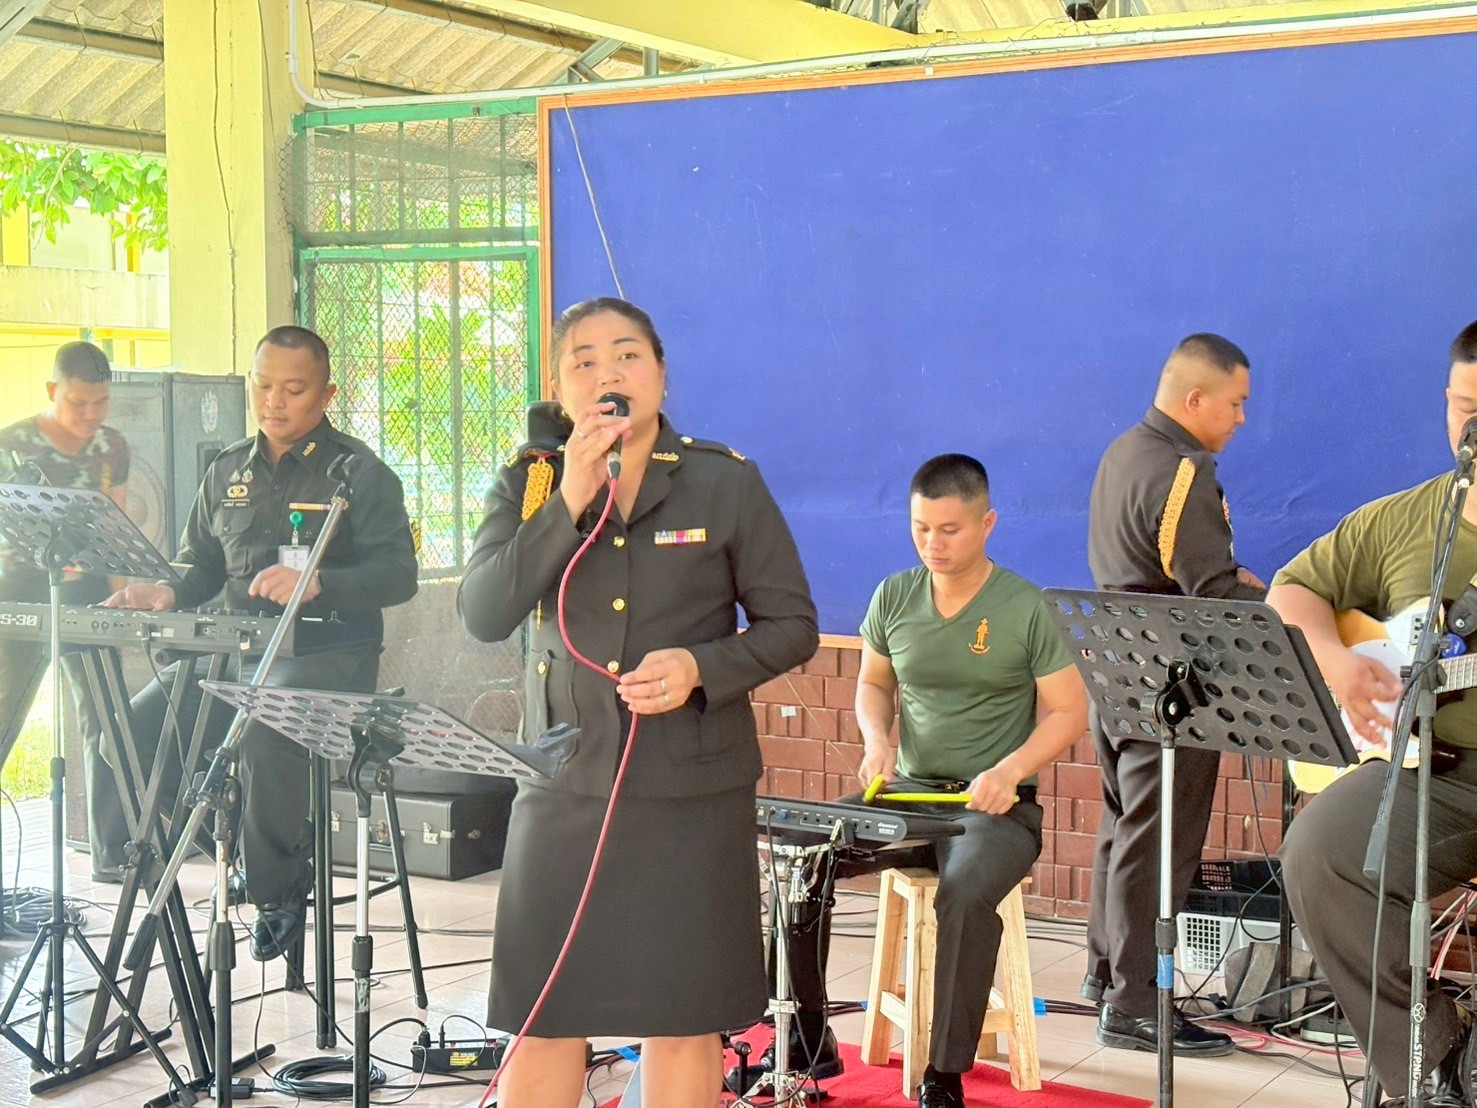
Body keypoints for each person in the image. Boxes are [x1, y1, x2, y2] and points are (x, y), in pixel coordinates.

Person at [458, 297, 818, 1108]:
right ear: (559, 389)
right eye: (582, 361)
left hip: (689, 788)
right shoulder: (531, 482)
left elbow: (792, 626)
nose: (606, 374)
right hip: (563, 782)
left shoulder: (724, 482)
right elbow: (483, 613)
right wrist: (568, 499)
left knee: (681, 1018)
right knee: (544, 1016)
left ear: (659, 373)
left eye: (626, 355)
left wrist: (699, 666)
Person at [729, 453, 1087, 1108]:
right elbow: (872, 682)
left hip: (993, 809)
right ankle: (806, 1040)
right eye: (920, 528)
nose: (932, 543)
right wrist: (876, 741)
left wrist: (1010, 770)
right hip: (905, 797)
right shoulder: (894, 595)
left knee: (965, 894)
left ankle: (942, 1073)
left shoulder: (1024, 606)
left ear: (986, 524)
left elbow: (1068, 711)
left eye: (949, 529)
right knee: (801, 856)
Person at [102, 325, 417, 959]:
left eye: (293, 390)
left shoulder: (359, 474)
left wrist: (320, 581)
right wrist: (166, 591)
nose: (274, 402)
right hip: (234, 653)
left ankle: (278, 888)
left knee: (266, 724)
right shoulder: (226, 470)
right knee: (125, 733)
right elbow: (200, 565)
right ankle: (237, 846)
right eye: (263, 385)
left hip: (327, 654)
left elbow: (398, 575)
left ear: (327, 394)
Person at [1271, 321, 1477, 1105]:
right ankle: (1431, 1054)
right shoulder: (1402, 520)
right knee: (1318, 851)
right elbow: (1292, 590)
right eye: (1462, 408)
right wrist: (1336, 660)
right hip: (1433, 772)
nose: (1471, 429)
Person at [1083, 332, 1265, 1055]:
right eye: (1235, 402)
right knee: (1159, 841)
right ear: (1195, 399)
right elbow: (1211, 595)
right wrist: (1280, 605)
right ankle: (1135, 1004)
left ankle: (1106, 976)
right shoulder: (1185, 470)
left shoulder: (1123, 452)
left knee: (1123, 828)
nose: (1241, 418)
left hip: (1114, 667)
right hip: (1172, 684)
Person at [0, 341, 132, 881]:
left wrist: (123, 600)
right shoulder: (10, 443)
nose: (91, 414)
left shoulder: (112, 445)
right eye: (79, 403)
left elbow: (116, 523)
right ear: (52, 391)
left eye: (101, 402)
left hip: (90, 596)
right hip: (18, 595)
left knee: (110, 725)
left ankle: (114, 853)